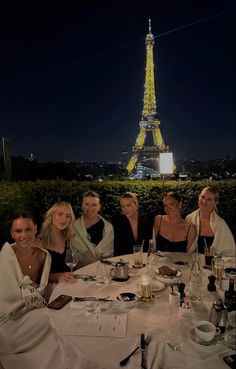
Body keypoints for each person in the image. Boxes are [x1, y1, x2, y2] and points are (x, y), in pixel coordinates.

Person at [0, 211, 51, 302]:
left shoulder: (42, 255)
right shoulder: (6, 254)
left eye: (28, 229)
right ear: (12, 233)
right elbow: (4, 292)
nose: (24, 235)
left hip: (35, 302)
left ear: (35, 229)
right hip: (9, 307)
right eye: (18, 231)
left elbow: (41, 287)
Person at [186, 186, 235, 256]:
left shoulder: (220, 224)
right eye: (202, 197)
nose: (204, 201)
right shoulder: (189, 219)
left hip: (212, 264)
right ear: (199, 197)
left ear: (215, 203)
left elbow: (230, 252)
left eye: (209, 199)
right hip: (192, 263)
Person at [71, 191, 114, 267]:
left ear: (99, 206)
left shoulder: (108, 228)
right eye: (87, 204)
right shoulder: (73, 227)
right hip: (80, 271)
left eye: (94, 205)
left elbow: (109, 253)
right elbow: (74, 253)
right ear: (82, 205)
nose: (90, 208)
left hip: (104, 271)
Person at [38, 201, 77, 283]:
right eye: (59, 214)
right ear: (51, 215)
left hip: (67, 284)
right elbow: (37, 275)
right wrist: (57, 276)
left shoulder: (67, 238)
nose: (64, 219)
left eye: (68, 216)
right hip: (49, 289)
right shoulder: (40, 241)